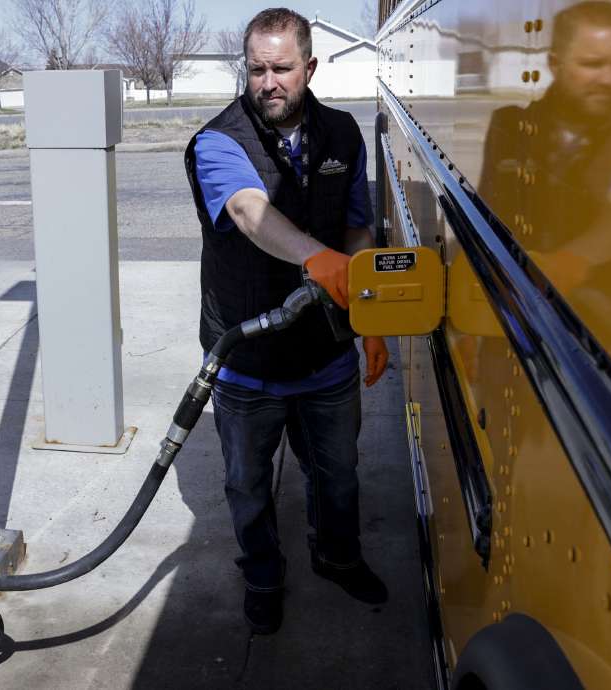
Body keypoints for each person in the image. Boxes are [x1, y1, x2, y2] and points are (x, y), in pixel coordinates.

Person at [183, 8, 389, 636]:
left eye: (280, 68)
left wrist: (370, 313)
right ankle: (264, 575)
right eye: (255, 69)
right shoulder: (219, 141)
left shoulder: (342, 135)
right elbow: (248, 212)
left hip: (326, 352)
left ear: (310, 67)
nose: (267, 82)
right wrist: (313, 255)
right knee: (248, 482)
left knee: (338, 470)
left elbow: (358, 225)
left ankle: (336, 555)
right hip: (246, 359)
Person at [477, 0, 611, 380]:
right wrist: (469, 325)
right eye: (592, 64)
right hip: (513, 344)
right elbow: (486, 219)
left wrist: (570, 262)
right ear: (555, 64)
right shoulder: (511, 127)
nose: (608, 78)